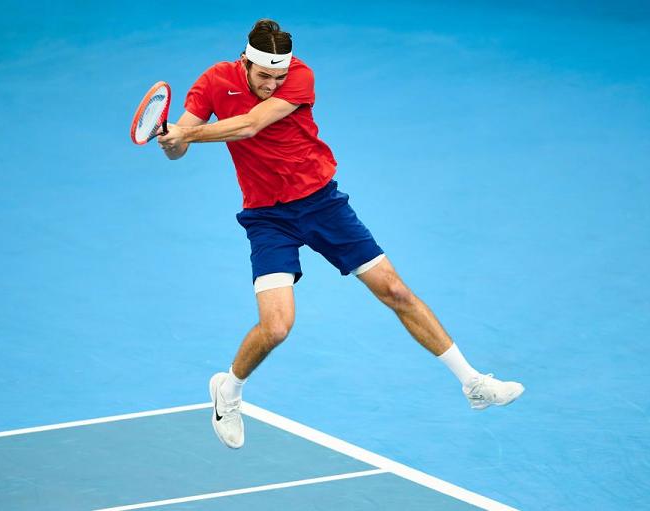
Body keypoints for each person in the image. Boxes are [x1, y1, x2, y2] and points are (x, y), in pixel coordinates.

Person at [157, 19, 524, 449]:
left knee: (396, 292)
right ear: (245, 62)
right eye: (264, 76)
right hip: (267, 217)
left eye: (280, 75)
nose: (274, 84)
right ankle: (228, 390)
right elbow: (179, 146)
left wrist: (188, 135)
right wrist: (172, 141)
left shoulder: (301, 77)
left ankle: (473, 383)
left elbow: (250, 125)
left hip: (322, 204)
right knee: (276, 328)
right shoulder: (213, 81)